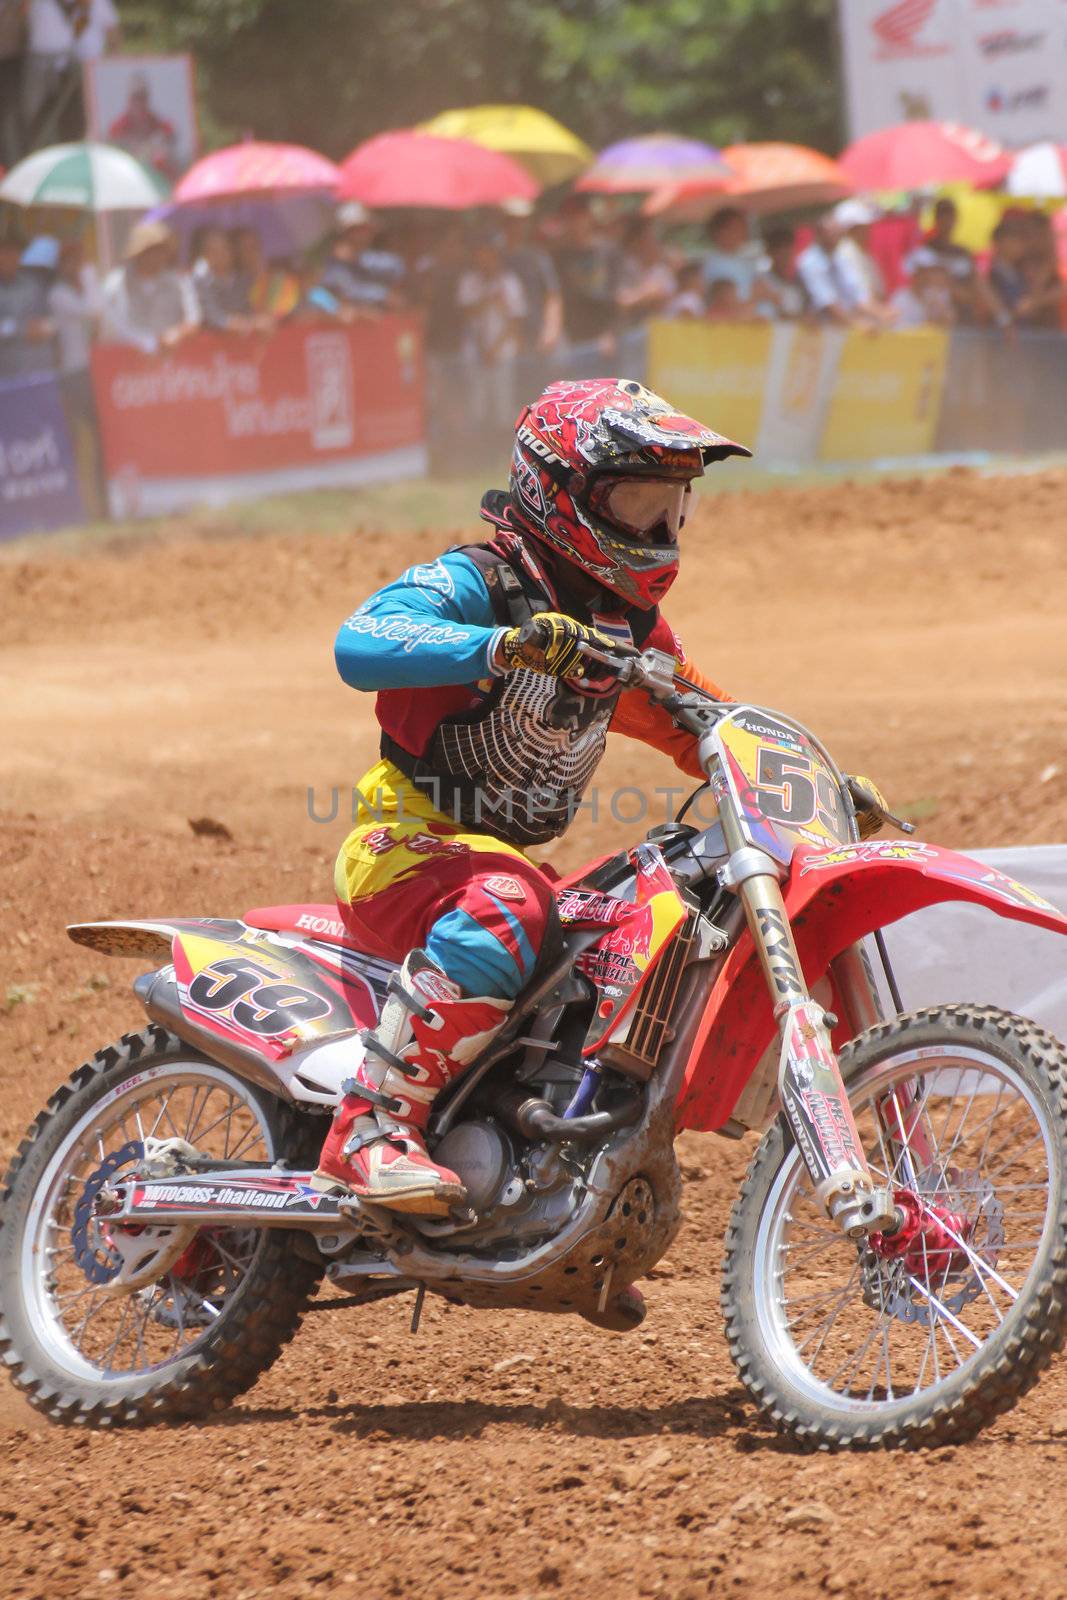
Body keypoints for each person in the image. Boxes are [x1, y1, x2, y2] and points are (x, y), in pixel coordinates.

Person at [312, 378, 752, 1216]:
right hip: (402, 851)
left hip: (506, 867)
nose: (659, 532)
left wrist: (797, 771)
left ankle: (554, 1188)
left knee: (644, 917)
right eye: (637, 504)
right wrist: (503, 645)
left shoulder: (626, 628)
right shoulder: (482, 580)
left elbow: (706, 723)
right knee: (512, 906)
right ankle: (366, 1131)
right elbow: (360, 641)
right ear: (560, 491)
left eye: (673, 509)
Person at [99, 218, 199, 354]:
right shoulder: (116, 284)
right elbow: (112, 325)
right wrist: (147, 342)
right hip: (127, 363)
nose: (159, 256)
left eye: (162, 250)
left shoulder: (178, 282)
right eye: (152, 250)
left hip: (173, 362)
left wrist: (178, 332)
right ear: (139, 253)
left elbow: (193, 317)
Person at [551, 196, 621, 347]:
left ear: (588, 217)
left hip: (603, 338)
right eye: (568, 218)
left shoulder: (608, 252)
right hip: (573, 336)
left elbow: (614, 296)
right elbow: (558, 297)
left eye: (578, 217)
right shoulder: (560, 255)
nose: (574, 223)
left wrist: (609, 333)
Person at [498, 198, 562, 354]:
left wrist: (551, 330)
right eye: (512, 221)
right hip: (505, 338)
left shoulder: (537, 256)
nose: (517, 226)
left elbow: (552, 295)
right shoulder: (495, 256)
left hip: (537, 333)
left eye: (522, 221)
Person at [318, 201, 406, 313]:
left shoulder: (371, 259)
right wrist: (383, 295)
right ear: (347, 231)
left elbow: (397, 267)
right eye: (361, 229)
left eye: (368, 229)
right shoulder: (330, 265)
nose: (367, 233)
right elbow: (345, 291)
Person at [106, 68, 179, 182]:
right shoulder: (118, 126)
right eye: (135, 97)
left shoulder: (157, 122)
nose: (139, 103)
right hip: (127, 176)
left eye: (143, 97)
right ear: (129, 99)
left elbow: (171, 135)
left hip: (155, 176)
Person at [0, 229, 54, 378]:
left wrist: (44, 327)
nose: (10, 258)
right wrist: (21, 330)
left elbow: (49, 320)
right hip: (7, 374)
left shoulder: (32, 285)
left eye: (14, 253)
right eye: (5, 253)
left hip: (38, 369)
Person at [832, 199, 893, 324]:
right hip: (856, 323)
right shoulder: (844, 254)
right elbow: (857, 296)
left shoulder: (864, 254)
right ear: (851, 229)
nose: (868, 230)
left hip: (871, 321)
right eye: (862, 227)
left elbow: (879, 292)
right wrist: (880, 312)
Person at [190, 225, 256, 333]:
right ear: (206, 255)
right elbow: (213, 317)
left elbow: (252, 308)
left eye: (224, 248)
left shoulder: (244, 280)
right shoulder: (201, 283)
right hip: (214, 342)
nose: (221, 254)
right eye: (214, 250)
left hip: (247, 339)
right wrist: (242, 324)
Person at [615, 217, 676, 326]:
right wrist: (648, 293)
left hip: (660, 330)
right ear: (634, 243)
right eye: (649, 240)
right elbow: (621, 303)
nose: (656, 245)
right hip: (631, 330)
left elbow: (667, 301)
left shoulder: (661, 271)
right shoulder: (623, 267)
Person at [233, 226, 301, 324]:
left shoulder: (280, 279)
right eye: (244, 249)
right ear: (236, 254)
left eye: (254, 246)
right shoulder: (234, 285)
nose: (251, 253)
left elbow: (294, 311)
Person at [700, 206, 760, 304]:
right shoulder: (715, 264)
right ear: (720, 231)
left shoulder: (741, 259)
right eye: (737, 227)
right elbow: (728, 304)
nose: (743, 232)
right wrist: (758, 295)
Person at [889, 247, 954, 329]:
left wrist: (938, 306)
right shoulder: (900, 298)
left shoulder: (938, 294)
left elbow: (947, 323)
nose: (927, 276)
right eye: (923, 272)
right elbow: (896, 328)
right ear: (914, 274)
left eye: (930, 272)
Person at [753, 224, 807, 319]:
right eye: (780, 252)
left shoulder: (800, 282)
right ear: (769, 252)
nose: (785, 257)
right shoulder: (761, 281)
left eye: (788, 251)